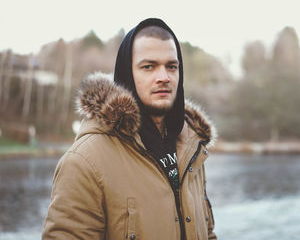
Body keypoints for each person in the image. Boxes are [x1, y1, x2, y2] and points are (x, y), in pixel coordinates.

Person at [42, 18, 217, 240]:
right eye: (148, 66)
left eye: (171, 66)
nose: (163, 77)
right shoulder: (84, 162)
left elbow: (208, 232)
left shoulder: (192, 147)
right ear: (127, 74)